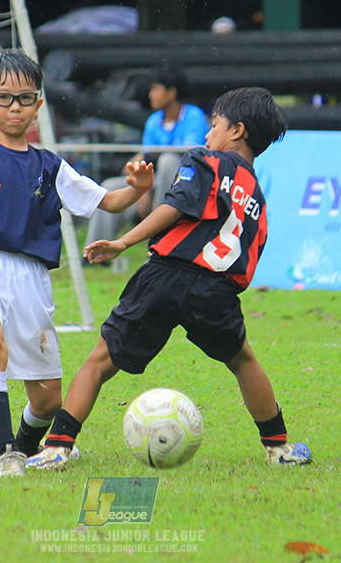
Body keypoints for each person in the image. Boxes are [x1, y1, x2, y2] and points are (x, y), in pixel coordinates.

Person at [28, 87, 312, 471]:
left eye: (214, 125)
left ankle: (57, 448)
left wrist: (124, 240)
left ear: (237, 130)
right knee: (243, 360)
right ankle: (279, 448)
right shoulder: (258, 199)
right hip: (216, 288)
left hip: (165, 275)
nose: (208, 135)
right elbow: (250, 255)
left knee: (99, 362)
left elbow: (176, 206)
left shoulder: (205, 160)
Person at [0, 50, 153, 477]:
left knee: (47, 401)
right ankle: (6, 454)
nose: (14, 107)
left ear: (39, 104)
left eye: (25, 97)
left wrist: (136, 189)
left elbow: (105, 200)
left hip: (31, 280)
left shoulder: (50, 165)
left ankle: (25, 449)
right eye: (3, 98)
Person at [84, 62, 208, 247]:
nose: (150, 94)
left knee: (168, 161)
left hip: (184, 186)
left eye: (155, 89)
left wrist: (145, 158)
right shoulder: (153, 121)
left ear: (171, 92)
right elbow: (147, 159)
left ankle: (160, 238)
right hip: (154, 183)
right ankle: (96, 251)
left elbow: (186, 156)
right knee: (110, 185)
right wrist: (142, 189)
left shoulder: (194, 116)